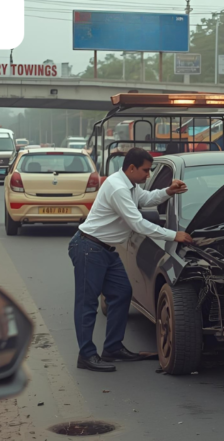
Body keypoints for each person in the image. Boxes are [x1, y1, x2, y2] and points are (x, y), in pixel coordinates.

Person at [68, 147, 192, 372]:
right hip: (89, 248)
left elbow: (146, 199)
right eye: (146, 170)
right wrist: (174, 235)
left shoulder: (131, 185)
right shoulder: (117, 188)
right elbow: (138, 224)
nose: (148, 175)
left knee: (123, 293)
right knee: (87, 303)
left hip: (104, 250)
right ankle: (86, 355)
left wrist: (169, 191)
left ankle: (113, 348)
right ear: (131, 168)